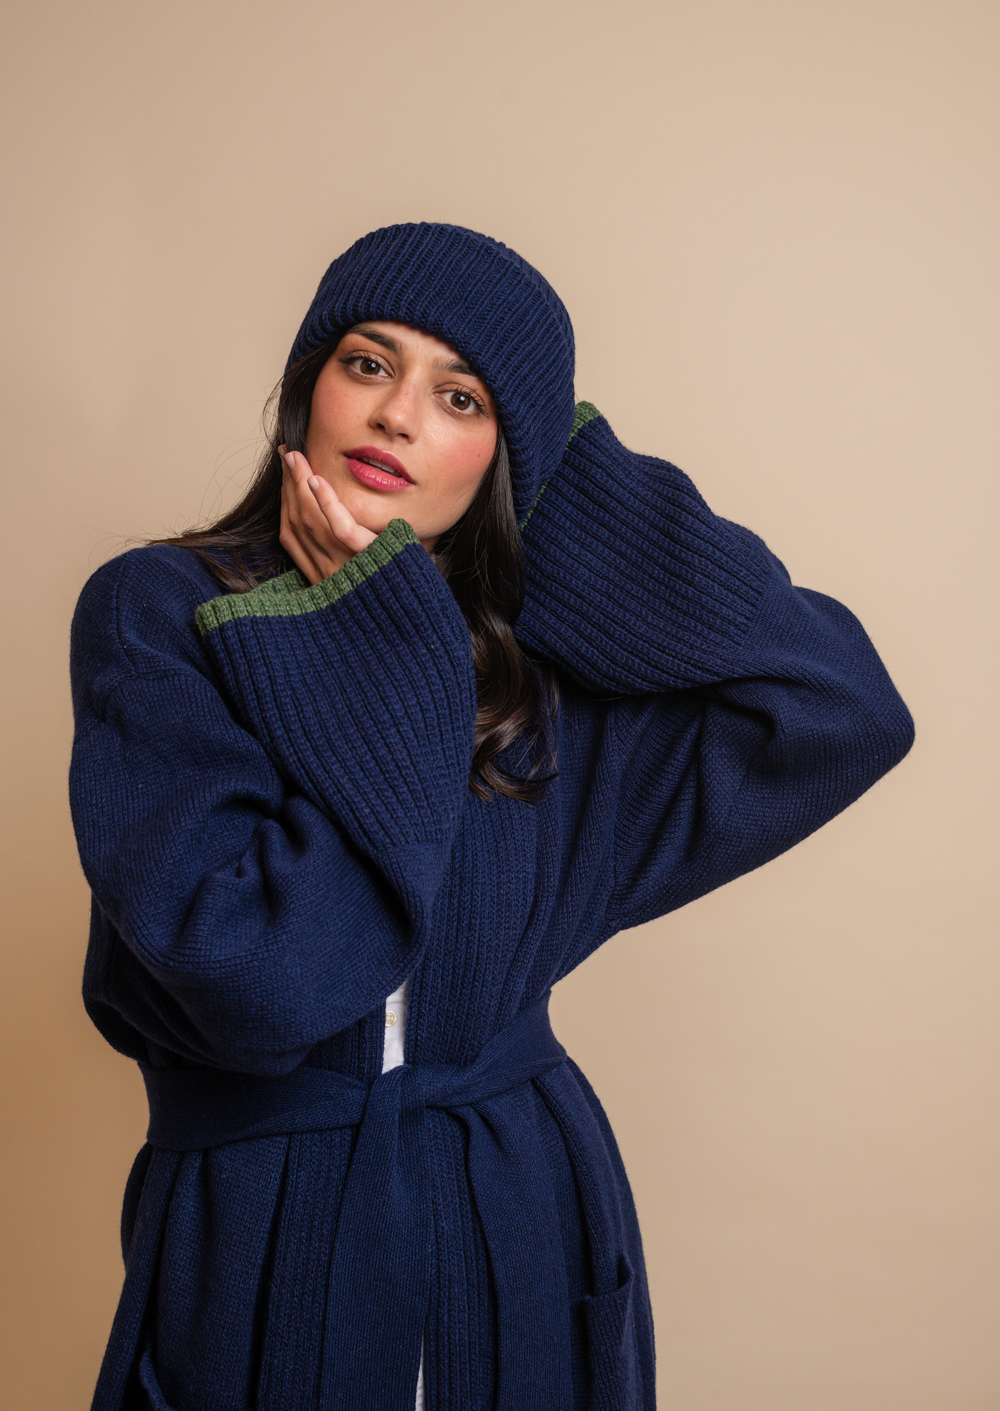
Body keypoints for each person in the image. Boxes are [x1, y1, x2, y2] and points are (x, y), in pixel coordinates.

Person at [69, 221, 914, 1411]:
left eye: (461, 398)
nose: (396, 416)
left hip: (520, 1209)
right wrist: (394, 657)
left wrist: (564, 503)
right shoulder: (165, 612)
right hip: (260, 1221)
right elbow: (259, 979)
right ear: (307, 386)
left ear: (504, 455)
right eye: (367, 363)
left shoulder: (539, 675)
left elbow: (841, 709)